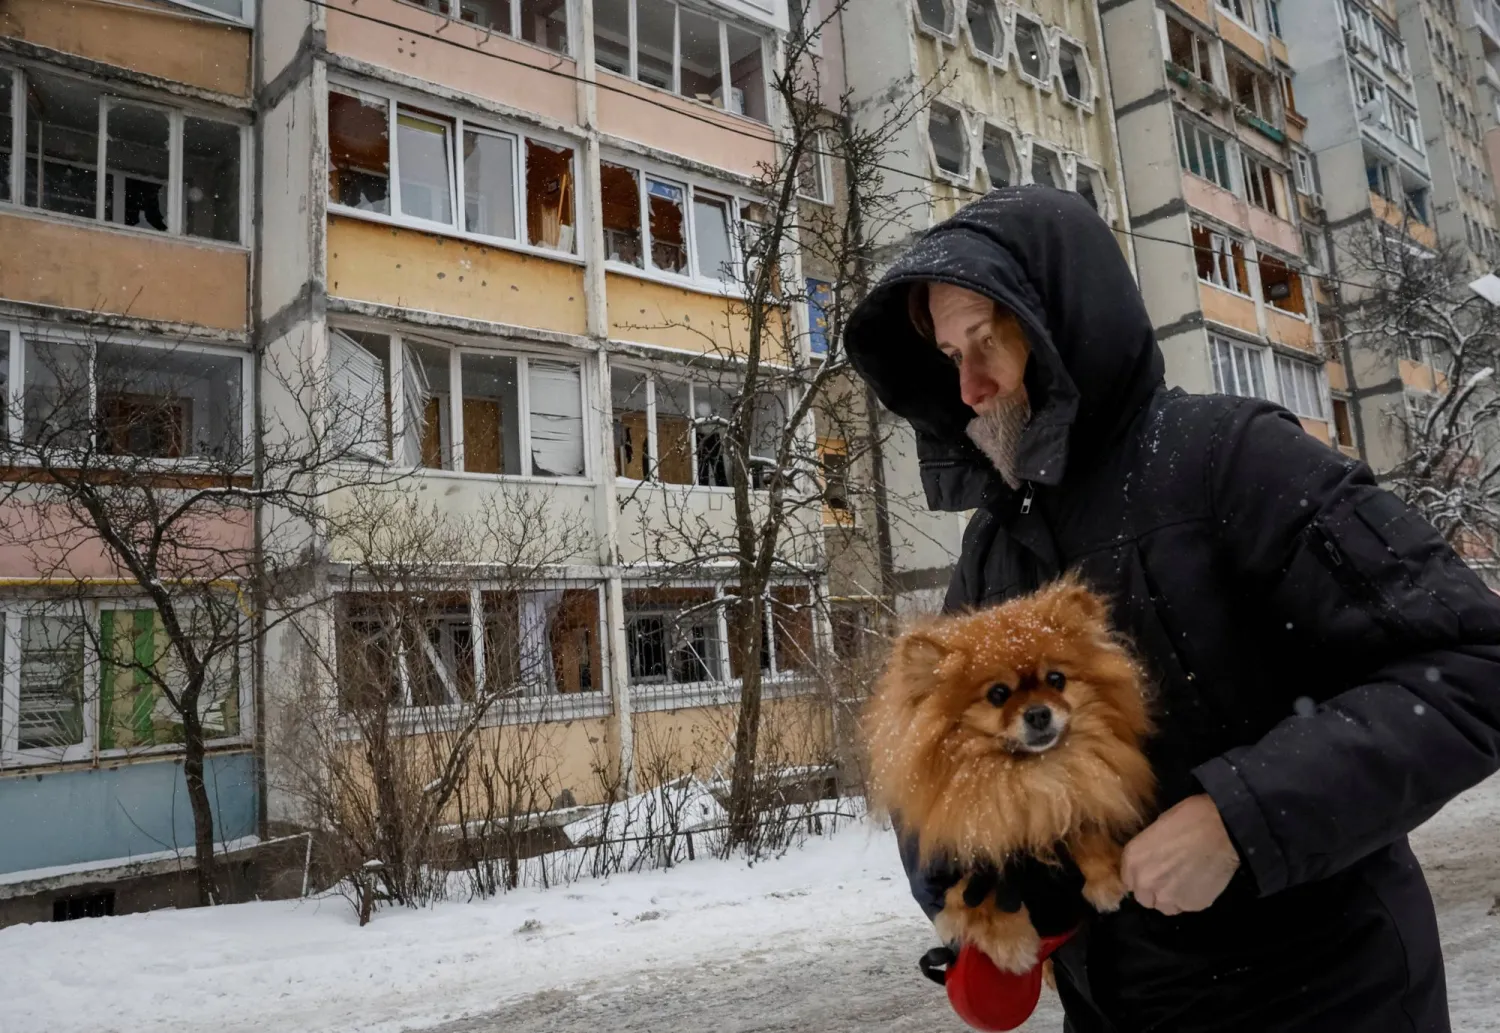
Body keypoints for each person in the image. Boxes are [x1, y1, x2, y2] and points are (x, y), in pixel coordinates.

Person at [843, 185, 1500, 1032]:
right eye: (947, 354)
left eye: (987, 338)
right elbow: (924, 743)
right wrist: (976, 886)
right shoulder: (996, 542)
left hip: (1325, 997)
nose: (968, 385)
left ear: (1059, 325)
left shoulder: (1233, 461)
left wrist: (1242, 815)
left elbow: (1468, 662)